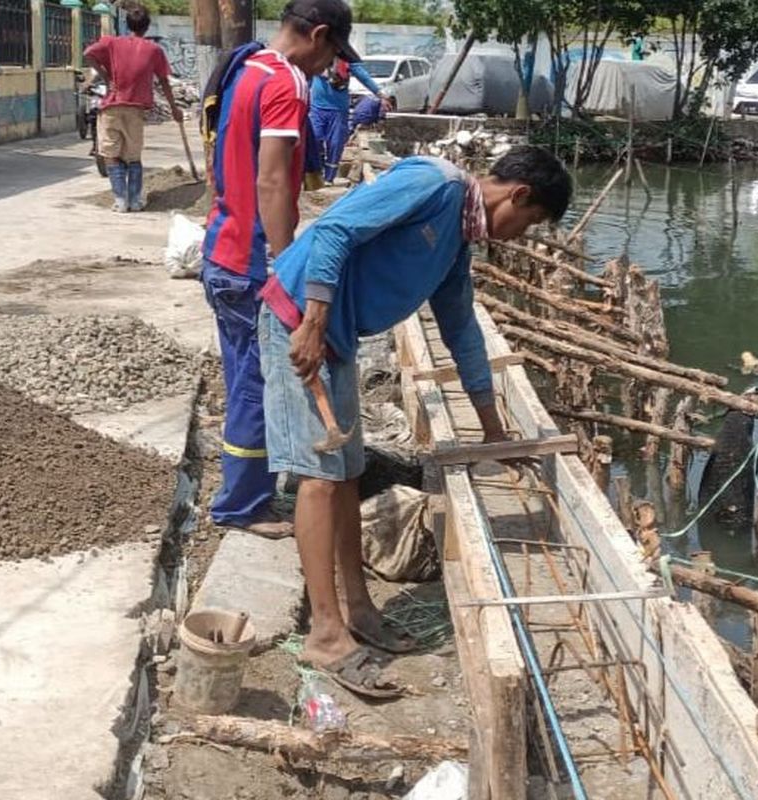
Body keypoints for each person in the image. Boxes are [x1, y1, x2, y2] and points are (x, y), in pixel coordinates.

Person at [258, 147, 572, 697]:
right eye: (532, 223)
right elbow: (334, 231)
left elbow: (463, 332)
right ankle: (325, 633)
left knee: (347, 471)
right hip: (299, 324)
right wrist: (312, 322)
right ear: (518, 195)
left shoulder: (456, 246)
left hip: (337, 339)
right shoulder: (437, 185)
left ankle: (357, 606)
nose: (523, 236)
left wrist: (493, 430)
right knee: (318, 478)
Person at [200, 0, 357, 538]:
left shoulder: (247, 68)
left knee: (245, 373)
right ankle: (241, 506)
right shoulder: (286, 84)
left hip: (223, 249)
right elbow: (270, 181)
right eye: (333, 51)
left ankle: (247, 489)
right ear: (317, 35)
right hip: (249, 261)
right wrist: (286, 264)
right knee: (256, 382)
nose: (330, 65)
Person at [84, 4, 181, 213]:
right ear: (147, 27)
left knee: (111, 154)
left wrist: (105, 76)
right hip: (136, 109)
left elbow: (88, 54)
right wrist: (174, 108)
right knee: (133, 156)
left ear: (126, 24)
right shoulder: (154, 50)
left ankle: (120, 200)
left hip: (111, 106)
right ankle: (135, 200)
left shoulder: (111, 43)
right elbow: (164, 80)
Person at [309, 59, 391, 183]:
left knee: (335, 144)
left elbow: (363, 76)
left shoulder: (346, 59)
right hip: (317, 108)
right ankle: (317, 172)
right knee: (315, 139)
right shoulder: (316, 56)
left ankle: (329, 178)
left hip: (338, 110)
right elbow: (304, 77)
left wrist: (381, 95)